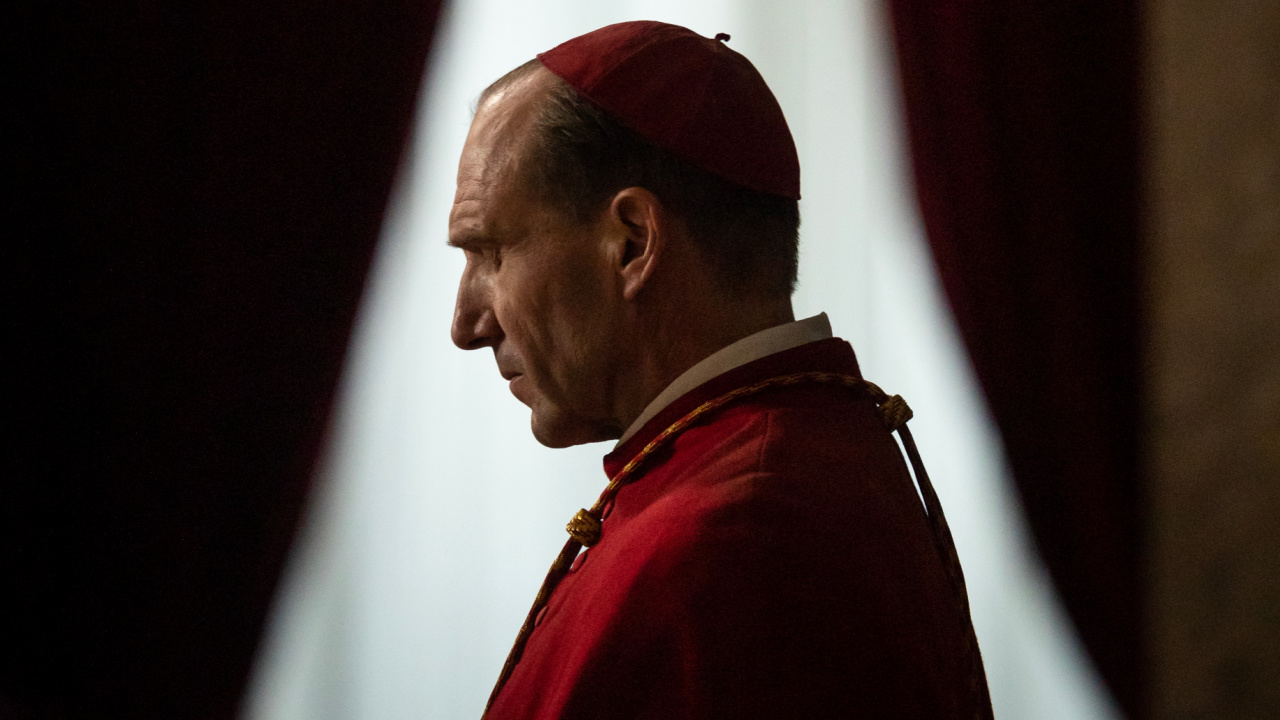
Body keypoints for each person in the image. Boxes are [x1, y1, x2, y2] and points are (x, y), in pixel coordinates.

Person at [449, 20, 993, 720]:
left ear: (632, 243)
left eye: (491, 254)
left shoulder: (732, 544)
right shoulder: (800, 454)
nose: (465, 325)